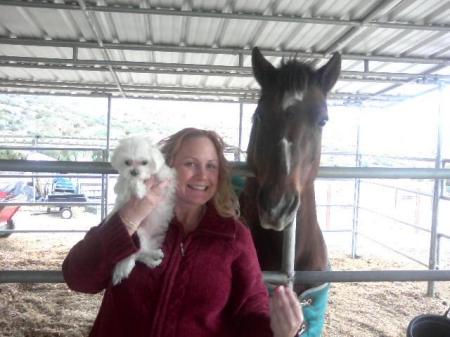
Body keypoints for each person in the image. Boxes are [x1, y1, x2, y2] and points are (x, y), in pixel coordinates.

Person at [62, 128, 303, 337]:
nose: (202, 175)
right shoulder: (133, 217)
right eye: (191, 164)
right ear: (167, 167)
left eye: (211, 166)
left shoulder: (233, 237)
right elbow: (78, 278)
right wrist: (129, 218)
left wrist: (278, 331)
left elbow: (250, 312)